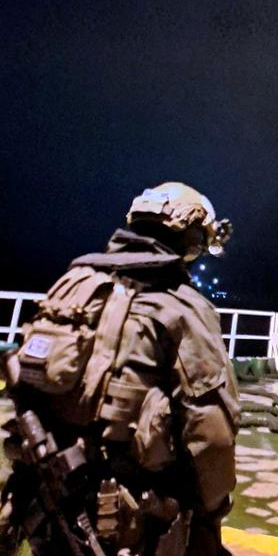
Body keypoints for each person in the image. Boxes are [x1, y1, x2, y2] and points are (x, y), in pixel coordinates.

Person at [0, 182, 239, 556]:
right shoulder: (183, 308)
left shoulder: (73, 284)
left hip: (46, 503)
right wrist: (212, 513)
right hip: (127, 522)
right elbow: (210, 434)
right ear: (188, 237)